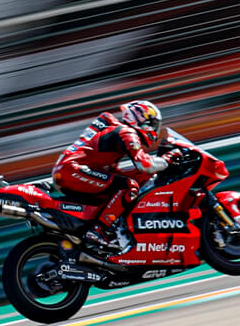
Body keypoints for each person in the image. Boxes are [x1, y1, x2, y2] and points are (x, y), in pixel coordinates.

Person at [53, 100, 171, 255]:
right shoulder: (126, 132)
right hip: (74, 170)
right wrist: (168, 160)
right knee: (129, 185)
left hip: (71, 170)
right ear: (141, 119)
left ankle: (107, 228)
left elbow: (132, 171)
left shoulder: (116, 129)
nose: (154, 130)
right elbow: (144, 164)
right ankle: (98, 231)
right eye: (152, 124)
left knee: (134, 179)